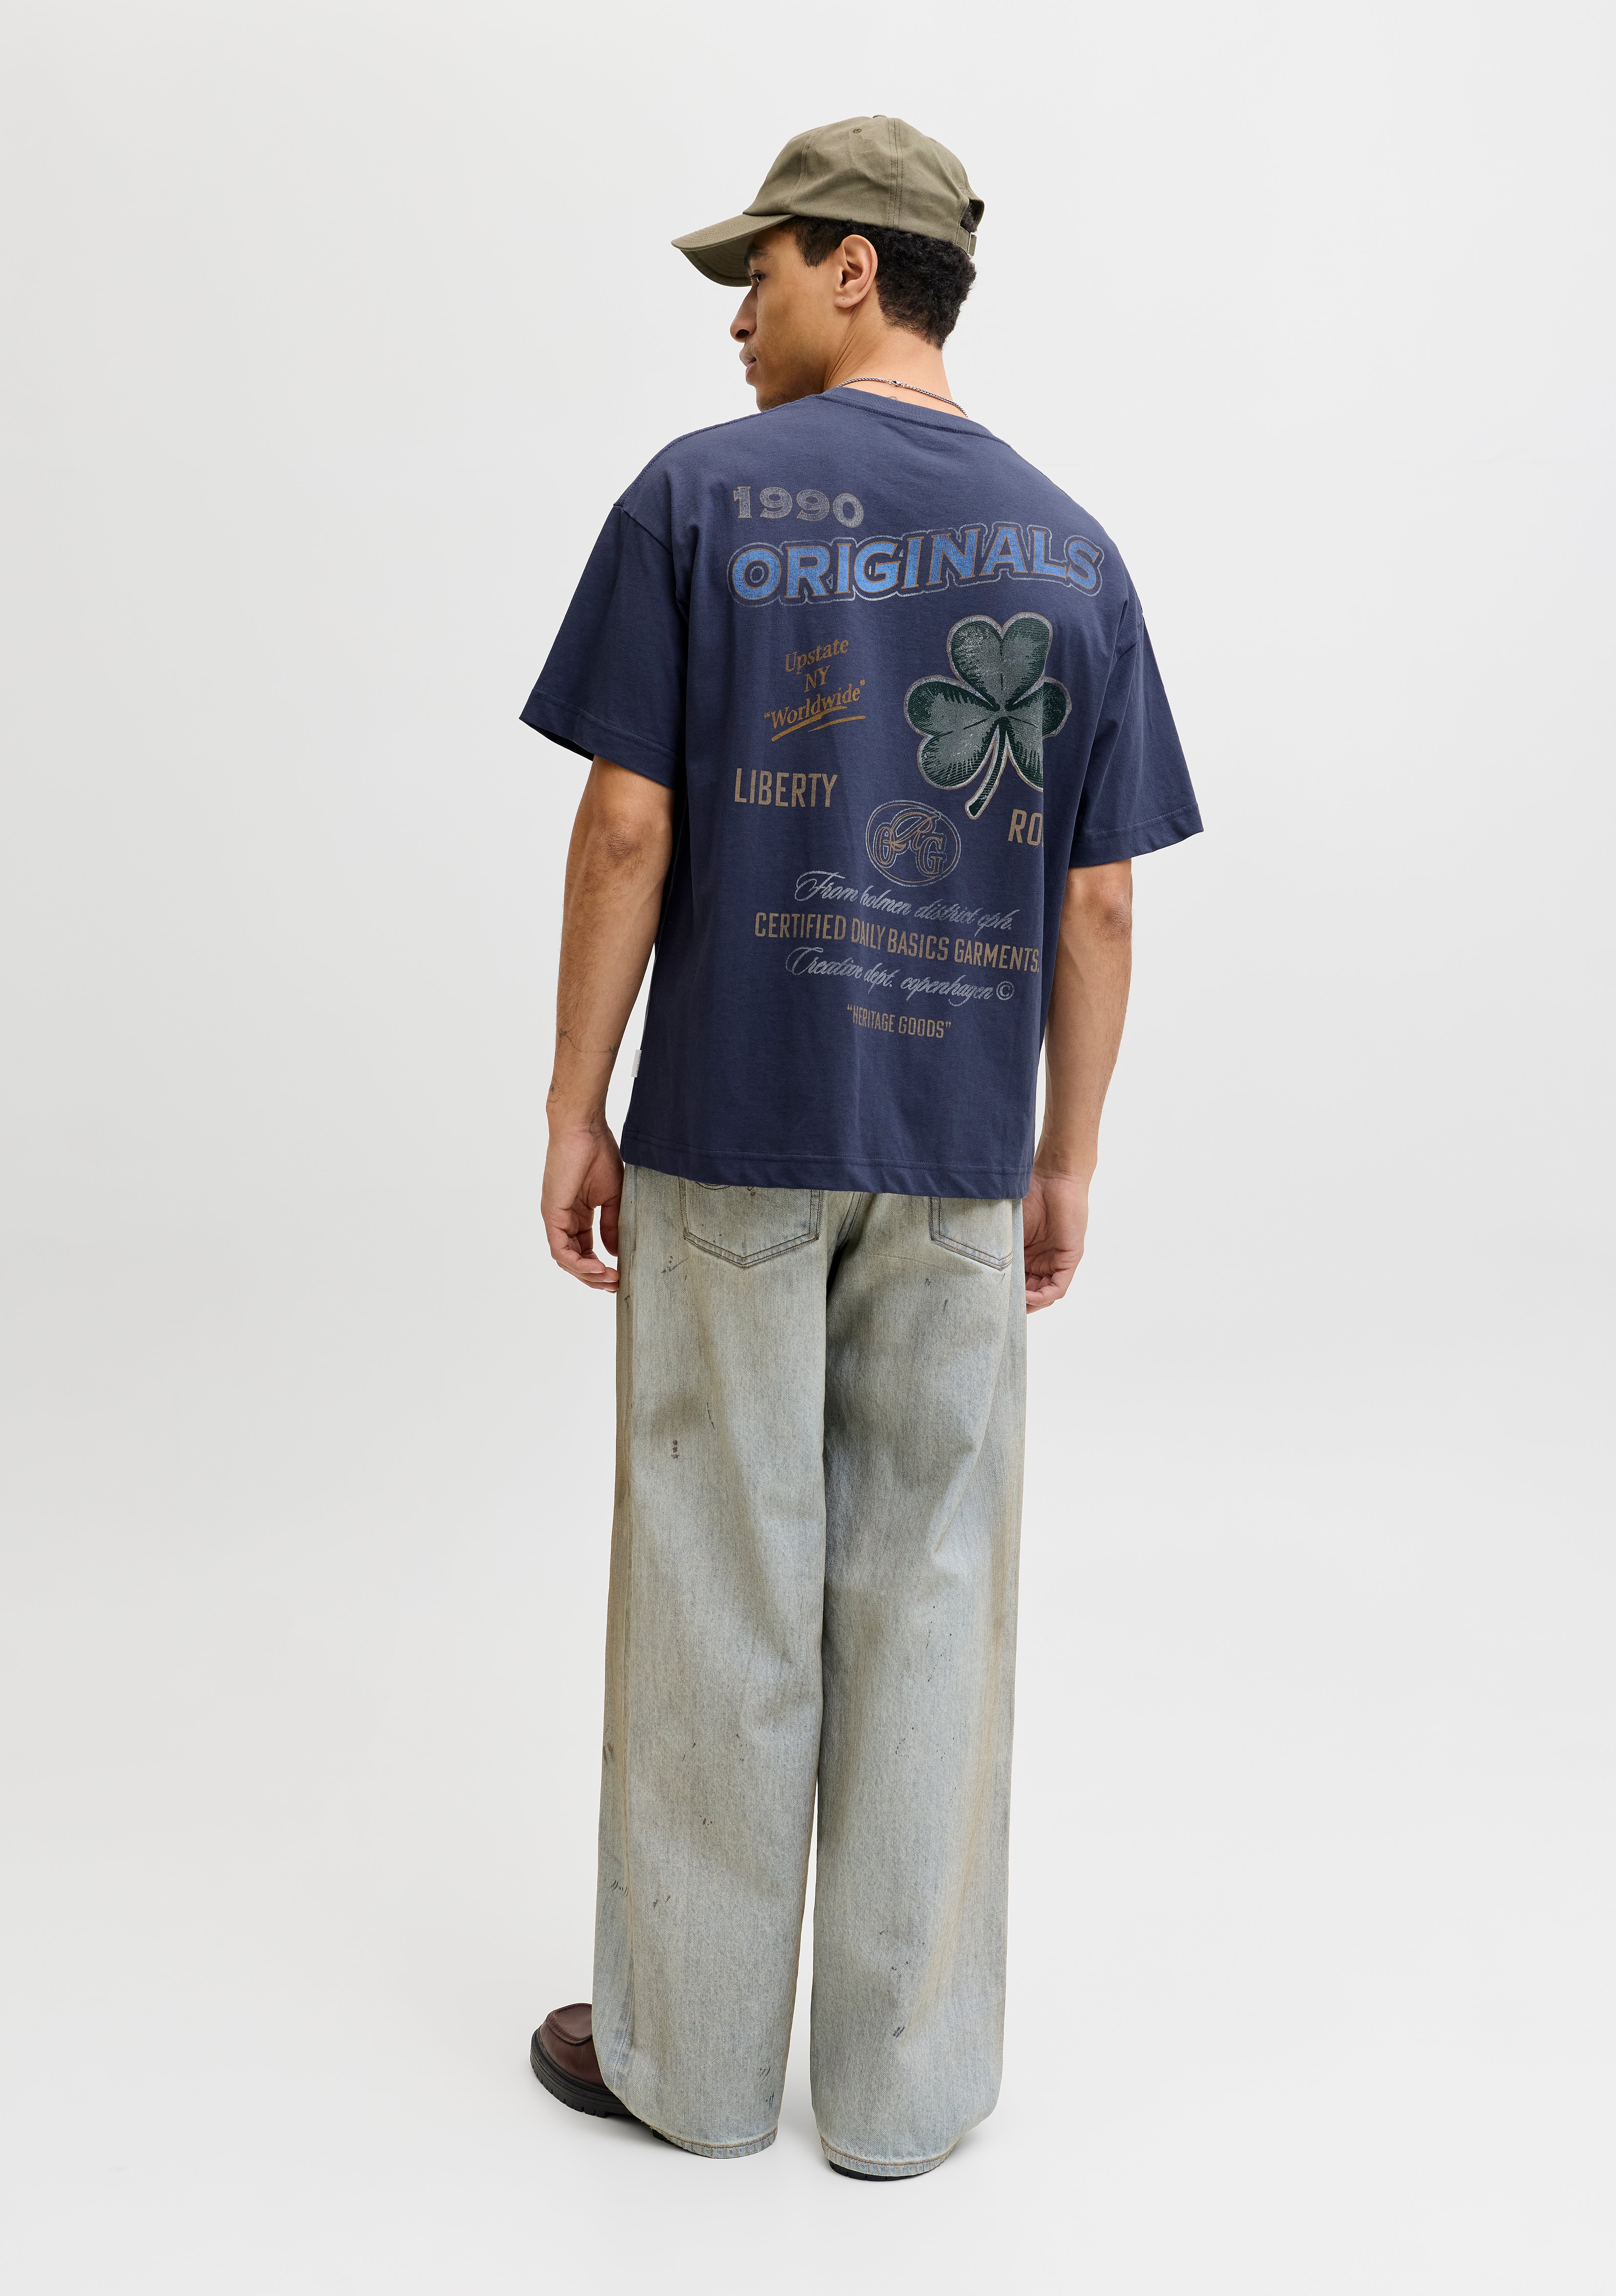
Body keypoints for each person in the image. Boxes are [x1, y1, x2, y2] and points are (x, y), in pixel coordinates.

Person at [520, 114, 1201, 2179]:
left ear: (848, 266)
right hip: (954, 1149)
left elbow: (627, 823)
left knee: (718, 1579)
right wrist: (1065, 1154)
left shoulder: (695, 500)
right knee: (932, 1592)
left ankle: (692, 2067)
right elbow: (1098, 900)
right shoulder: (1072, 551)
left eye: (755, 273)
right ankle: (903, 2097)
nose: (734, 318)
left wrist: (573, 1099)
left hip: (733, 1125)